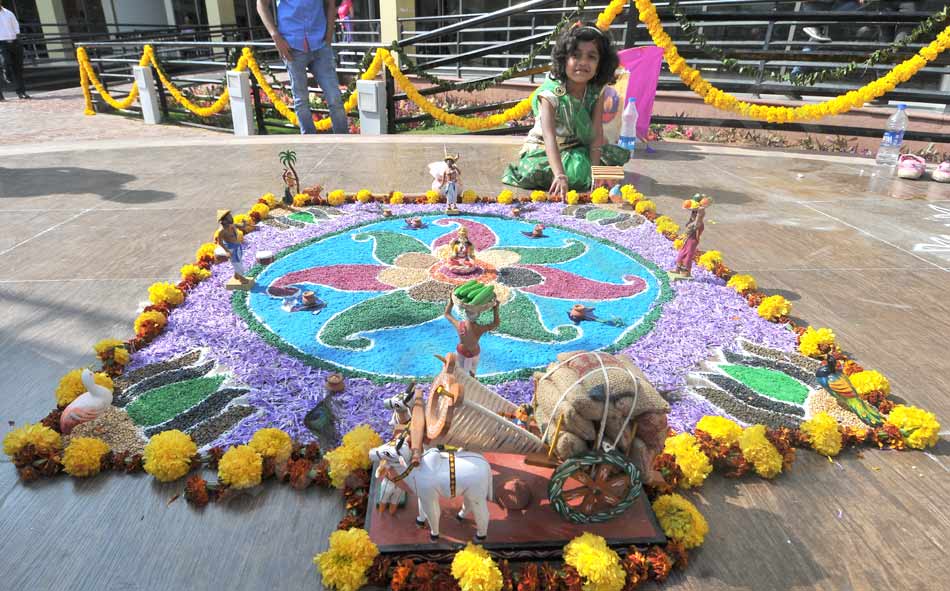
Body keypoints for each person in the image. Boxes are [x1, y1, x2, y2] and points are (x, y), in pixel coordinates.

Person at [502, 21, 628, 196]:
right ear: (564, 59)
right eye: (576, 55)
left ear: (601, 63)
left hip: (577, 148)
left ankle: (588, 173)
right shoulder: (551, 94)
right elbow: (549, 138)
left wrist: (595, 170)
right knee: (541, 173)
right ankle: (569, 174)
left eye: (591, 57)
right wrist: (560, 175)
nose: (583, 62)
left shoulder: (596, 91)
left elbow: (596, 132)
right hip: (543, 152)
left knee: (611, 166)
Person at [256, 0, 347, 134]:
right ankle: (309, 142)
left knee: (335, 97)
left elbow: (330, 4)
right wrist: (276, 37)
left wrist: (328, 38)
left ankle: (343, 141)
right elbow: (261, 5)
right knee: (301, 100)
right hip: (292, 46)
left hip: (319, 44)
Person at [444, 298, 500, 376]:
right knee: (472, 375)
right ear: (478, 315)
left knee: (456, 374)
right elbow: (496, 323)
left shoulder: (459, 326)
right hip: (474, 354)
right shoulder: (480, 328)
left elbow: (447, 314)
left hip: (462, 354)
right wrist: (496, 308)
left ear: (466, 313)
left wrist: (451, 302)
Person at [673, 194, 712, 278]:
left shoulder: (700, 210)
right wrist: (690, 223)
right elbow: (693, 219)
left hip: (694, 230)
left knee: (687, 251)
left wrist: (691, 226)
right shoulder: (696, 209)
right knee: (685, 250)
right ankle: (680, 270)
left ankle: (683, 271)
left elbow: (697, 223)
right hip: (692, 230)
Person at [0, 1, 29, 101]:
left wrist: (17, 35)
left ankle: (21, 92)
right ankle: (6, 73)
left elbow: (15, 24)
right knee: (6, 62)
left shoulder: (8, 13)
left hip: (14, 41)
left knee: (18, 68)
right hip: (1, 43)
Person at [214, 209, 251, 284]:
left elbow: (241, 226)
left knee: (239, 260)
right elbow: (220, 242)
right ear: (223, 221)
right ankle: (242, 279)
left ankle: (236, 275)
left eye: (230, 216)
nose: (231, 218)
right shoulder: (221, 231)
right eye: (228, 217)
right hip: (231, 249)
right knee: (237, 264)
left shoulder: (232, 225)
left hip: (237, 246)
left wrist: (244, 223)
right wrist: (227, 251)